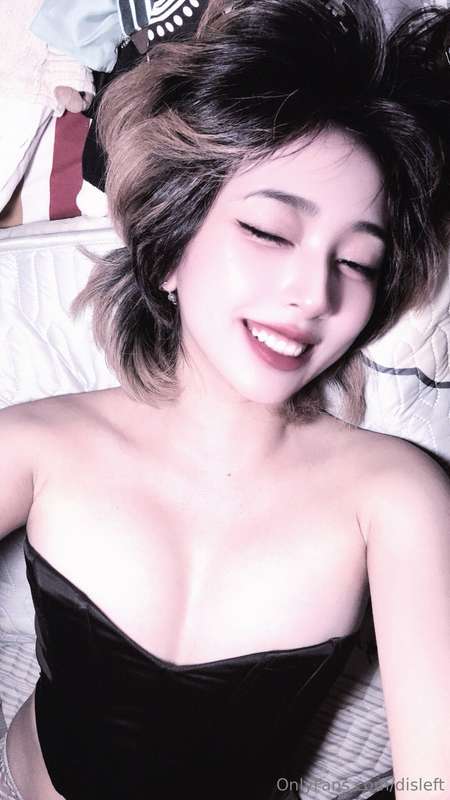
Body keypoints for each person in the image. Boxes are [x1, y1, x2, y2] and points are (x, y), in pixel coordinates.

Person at [0, 1, 449, 798]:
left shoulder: (396, 496)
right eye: (271, 232)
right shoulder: (36, 447)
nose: (314, 293)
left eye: (357, 262)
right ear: (169, 248)